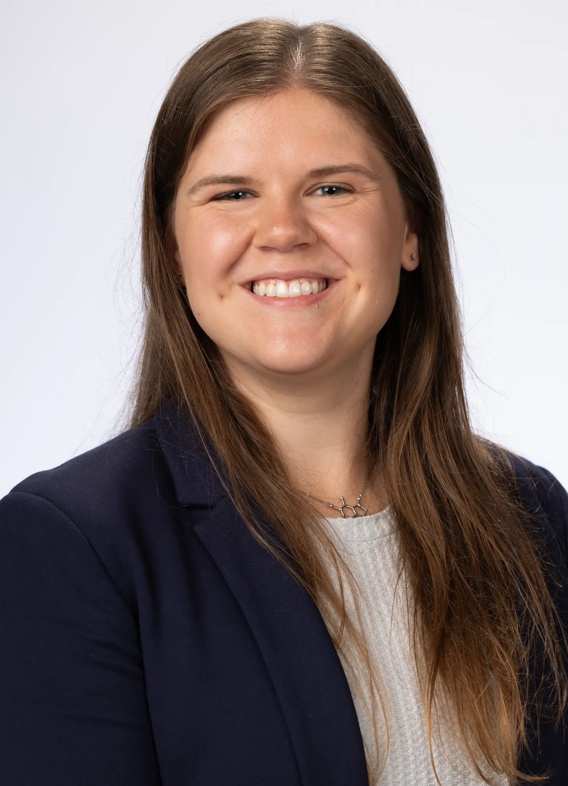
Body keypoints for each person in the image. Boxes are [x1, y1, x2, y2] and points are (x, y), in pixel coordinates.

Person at [0, 18, 566, 786]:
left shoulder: (532, 517)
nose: (282, 232)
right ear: (172, 250)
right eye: (232, 194)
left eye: (331, 188)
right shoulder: (74, 546)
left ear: (410, 230)